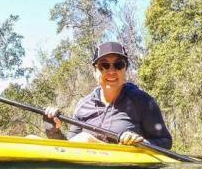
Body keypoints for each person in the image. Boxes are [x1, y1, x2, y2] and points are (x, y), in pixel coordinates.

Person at [43, 41, 172, 148]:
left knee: (85, 139)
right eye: (103, 65)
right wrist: (53, 131)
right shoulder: (83, 105)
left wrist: (140, 143)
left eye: (118, 65)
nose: (111, 71)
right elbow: (68, 148)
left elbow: (165, 142)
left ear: (125, 69)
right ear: (95, 72)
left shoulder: (144, 102)